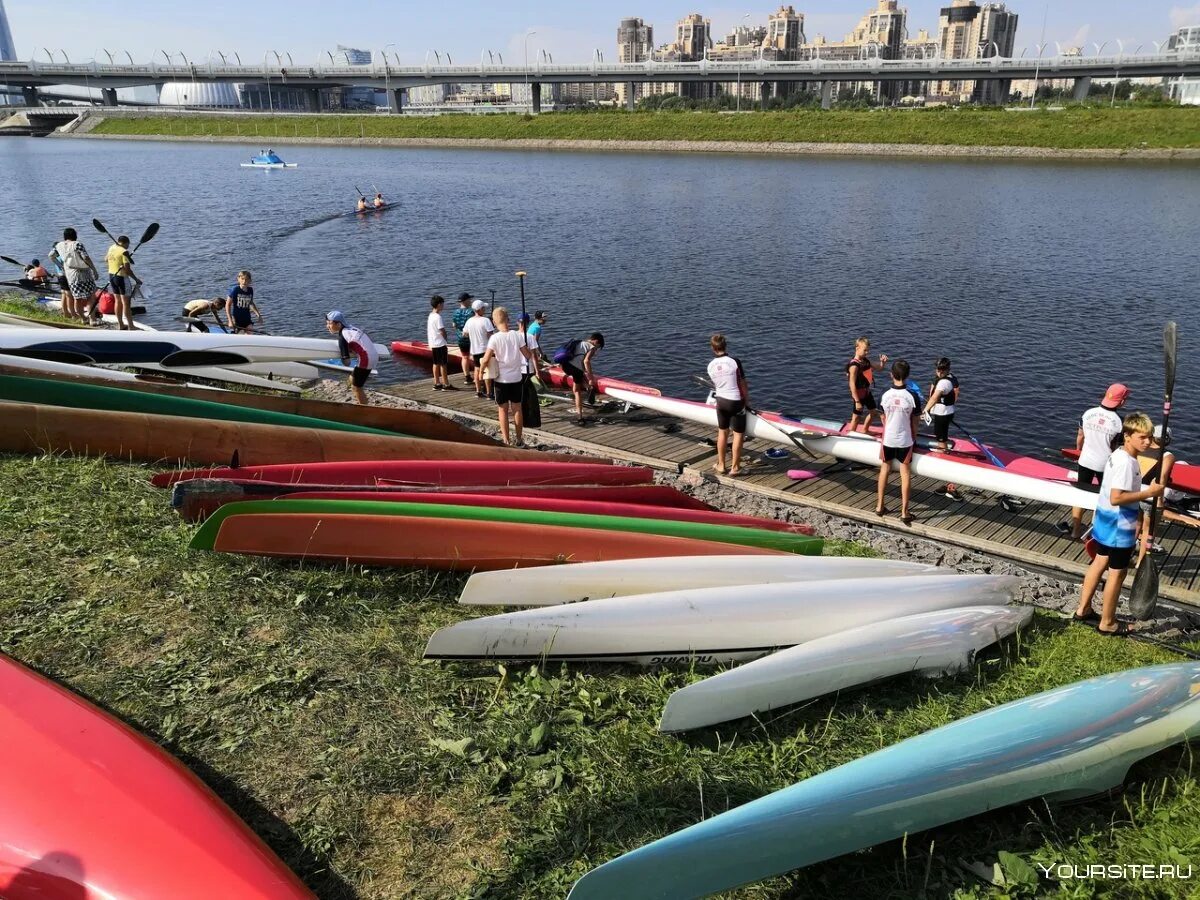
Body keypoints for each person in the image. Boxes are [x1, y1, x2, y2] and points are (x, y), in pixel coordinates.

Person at [1073, 412, 1164, 636]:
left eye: (1150, 437)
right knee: (1117, 573)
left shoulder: (1117, 454)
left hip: (1104, 521)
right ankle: (1108, 622)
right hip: (1118, 527)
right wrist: (1149, 492)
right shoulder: (1127, 463)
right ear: (1127, 436)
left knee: (1099, 562)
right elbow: (1117, 497)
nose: (1147, 442)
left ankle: (1083, 610)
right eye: (1142, 437)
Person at [1060, 383, 1128, 539]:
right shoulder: (1119, 422)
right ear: (1122, 401)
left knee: (1081, 494)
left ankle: (1076, 530)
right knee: (1105, 498)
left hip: (1085, 461)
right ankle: (1098, 531)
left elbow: (1080, 436)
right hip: (1106, 465)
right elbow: (1116, 447)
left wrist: (1079, 452)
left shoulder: (1088, 413)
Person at [478, 307, 534, 446]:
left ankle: (506, 440)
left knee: (502, 410)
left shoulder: (494, 338)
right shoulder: (517, 335)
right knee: (517, 409)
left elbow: (485, 359)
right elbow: (528, 355)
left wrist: (481, 372)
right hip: (516, 378)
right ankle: (519, 439)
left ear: (494, 322)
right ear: (508, 319)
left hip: (501, 379)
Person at [876, 359, 919, 524]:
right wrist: (914, 436)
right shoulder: (912, 396)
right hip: (905, 440)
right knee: (905, 474)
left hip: (888, 439)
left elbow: (883, 417)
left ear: (891, 375)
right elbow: (915, 421)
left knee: (884, 470)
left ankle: (880, 506)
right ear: (907, 376)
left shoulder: (885, 395)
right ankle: (904, 512)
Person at [707, 333, 751, 477]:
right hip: (735, 402)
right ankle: (735, 468)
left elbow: (718, 384)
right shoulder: (734, 362)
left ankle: (720, 465)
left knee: (722, 432)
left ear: (713, 348)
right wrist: (747, 401)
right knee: (738, 435)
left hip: (721, 402)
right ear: (725, 345)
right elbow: (742, 384)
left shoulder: (710, 366)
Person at [326, 310, 379, 405]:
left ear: (338, 324)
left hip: (366, 359)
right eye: (327, 323)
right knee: (352, 379)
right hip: (374, 355)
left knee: (356, 388)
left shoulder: (342, 336)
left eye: (330, 324)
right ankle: (360, 399)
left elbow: (347, 363)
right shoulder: (351, 328)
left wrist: (343, 354)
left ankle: (363, 408)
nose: (327, 326)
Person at [48, 227, 98, 323]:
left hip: (70, 275)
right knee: (91, 296)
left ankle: (83, 318)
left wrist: (61, 266)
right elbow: (85, 257)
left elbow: (51, 255)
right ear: (75, 235)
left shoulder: (59, 245)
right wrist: (94, 269)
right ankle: (92, 319)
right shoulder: (77, 244)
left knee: (77, 298)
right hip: (84, 273)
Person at [846, 337, 889, 434]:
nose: (867, 352)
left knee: (873, 413)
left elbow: (879, 368)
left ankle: (865, 430)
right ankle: (850, 436)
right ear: (857, 348)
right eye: (865, 350)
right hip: (859, 394)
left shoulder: (865, 361)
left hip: (867, 393)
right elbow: (852, 384)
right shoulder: (854, 366)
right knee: (856, 417)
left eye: (868, 350)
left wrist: (883, 362)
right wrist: (857, 401)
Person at [562, 332, 604, 426]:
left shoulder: (579, 342)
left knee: (578, 378)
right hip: (576, 368)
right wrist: (591, 378)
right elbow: (586, 361)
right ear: (596, 342)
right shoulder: (591, 347)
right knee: (577, 391)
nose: (596, 350)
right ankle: (580, 417)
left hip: (565, 366)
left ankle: (588, 387)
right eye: (598, 347)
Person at [105, 235, 142, 331]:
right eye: (128, 245)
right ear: (126, 243)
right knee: (126, 303)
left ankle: (121, 324)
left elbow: (106, 259)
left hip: (112, 276)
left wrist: (117, 263)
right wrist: (136, 279)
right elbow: (128, 270)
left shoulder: (112, 247)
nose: (128, 247)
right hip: (122, 278)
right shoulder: (124, 252)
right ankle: (131, 326)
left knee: (117, 301)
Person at [463, 299, 496, 399]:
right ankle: (489, 393)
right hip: (485, 350)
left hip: (475, 350)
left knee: (477, 370)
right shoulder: (485, 320)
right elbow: (491, 335)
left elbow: (464, 334)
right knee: (487, 371)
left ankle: (478, 391)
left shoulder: (469, 321)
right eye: (484, 308)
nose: (485, 310)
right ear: (480, 309)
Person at [427, 295, 456, 391]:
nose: (443, 306)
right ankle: (446, 384)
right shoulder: (438, 317)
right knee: (443, 364)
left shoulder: (431, 315)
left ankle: (437, 383)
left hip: (433, 343)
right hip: (440, 343)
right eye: (443, 304)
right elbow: (442, 330)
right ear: (439, 305)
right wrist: (446, 339)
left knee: (435, 363)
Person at [452, 293, 476, 386]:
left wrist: (459, 332)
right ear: (465, 301)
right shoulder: (471, 312)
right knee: (474, 356)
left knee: (464, 357)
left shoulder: (455, 312)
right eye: (469, 299)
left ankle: (467, 377)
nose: (470, 301)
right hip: (471, 339)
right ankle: (477, 375)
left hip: (460, 338)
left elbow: (454, 325)